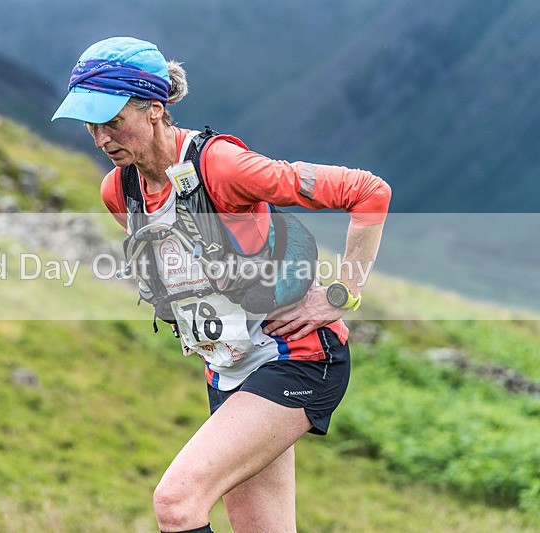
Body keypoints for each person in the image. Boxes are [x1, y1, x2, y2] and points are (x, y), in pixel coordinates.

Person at [52, 37, 390, 533]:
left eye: (114, 120)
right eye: (91, 124)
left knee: (177, 502)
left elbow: (368, 191)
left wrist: (341, 293)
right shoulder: (119, 191)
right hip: (228, 369)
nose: (102, 139)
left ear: (154, 109)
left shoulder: (222, 167)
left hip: (295, 357)